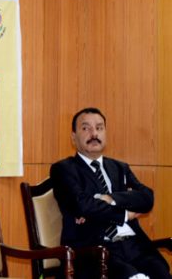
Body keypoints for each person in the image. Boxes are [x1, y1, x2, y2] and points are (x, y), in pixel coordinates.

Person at [51, 107, 170, 279]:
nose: (94, 134)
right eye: (86, 128)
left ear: (105, 133)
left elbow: (146, 198)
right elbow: (83, 205)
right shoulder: (64, 169)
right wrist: (125, 214)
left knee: (161, 273)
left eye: (99, 128)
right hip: (94, 250)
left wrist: (111, 198)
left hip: (135, 246)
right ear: (73, 137)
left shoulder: (119, 168)